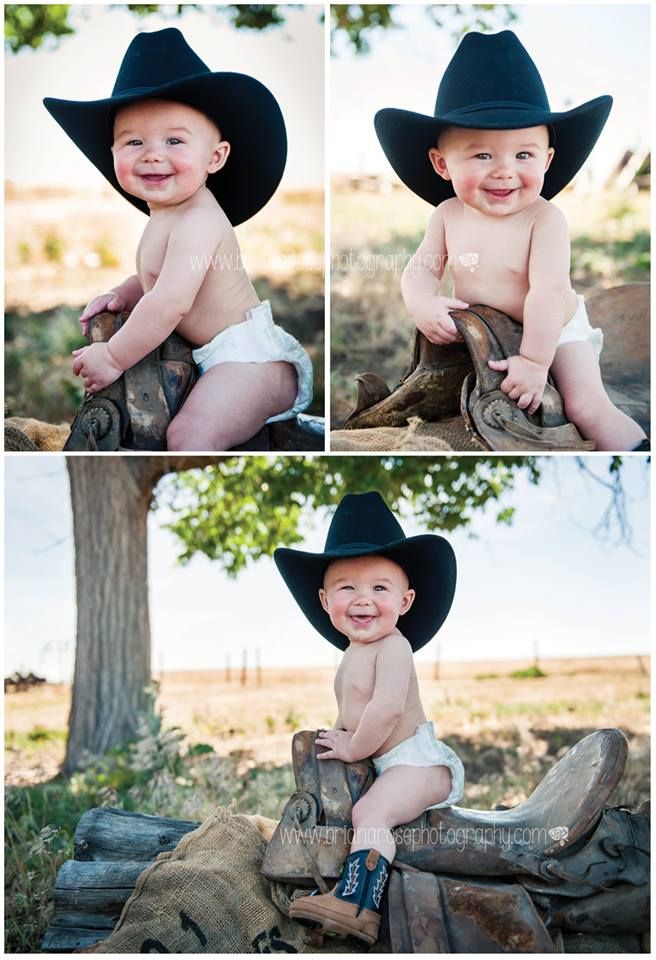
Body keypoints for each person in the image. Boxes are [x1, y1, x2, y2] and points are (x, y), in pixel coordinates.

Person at [375, 31, 647, 452]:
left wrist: (537, 362)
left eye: (523, 155)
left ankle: (635, 448)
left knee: (586, 406)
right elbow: (421, 269)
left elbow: (547, 293)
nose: (504, 171)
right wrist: (421, 302)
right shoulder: (447, 215)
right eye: (482, 155)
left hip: (553, 328)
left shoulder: (545, 219)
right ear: (442, 163)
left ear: (547, 159)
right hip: (484, 327)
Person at [44, 28, 313, 451]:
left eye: (174, 140)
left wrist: (114, 357)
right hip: (217, 356)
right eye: (134, 141)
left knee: (189, 435)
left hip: (249, 361)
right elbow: (158, 278)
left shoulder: (199, 221)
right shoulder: (166, 215)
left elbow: (169, 301)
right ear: (112, 153)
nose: (152, 153)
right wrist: (121, 293)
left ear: (215, 157)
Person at [274, 491, 464, 944]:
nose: (363, 600)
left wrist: (353, 746)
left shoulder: (394, 646)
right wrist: (337, 737)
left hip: (418, 764)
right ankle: (331, 881)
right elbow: (350, 711)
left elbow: (386, 709)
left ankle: (360, 905)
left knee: (370, 810)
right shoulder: (352, 654)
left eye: (380, 588)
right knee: (352, 806)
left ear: (405, 600)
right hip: (391, 764)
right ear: (324, 600)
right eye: (347, 588)